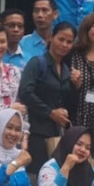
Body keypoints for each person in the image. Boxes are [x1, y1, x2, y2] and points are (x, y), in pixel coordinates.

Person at [18, 22, 78, 157]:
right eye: (61, 39)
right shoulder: (37, 63)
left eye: (69, 42)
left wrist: (76, 87)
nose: (64, 45)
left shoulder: (67, 70)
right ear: (51, 37)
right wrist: (50, 113)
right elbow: (25, 93)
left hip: (58, 133)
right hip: (36, 132)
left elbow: (69, 103)